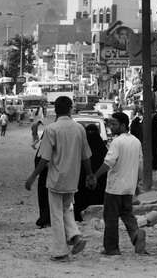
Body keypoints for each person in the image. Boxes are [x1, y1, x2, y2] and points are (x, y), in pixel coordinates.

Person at [25, 96, 93, 262]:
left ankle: (60, 251)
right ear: (71, 108)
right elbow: (86, 156)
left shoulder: (52, 129)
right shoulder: (79, 129)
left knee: (56, 215)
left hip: (56, 179)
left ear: (55, 110)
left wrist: (33, 176)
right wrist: (90, 174)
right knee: (65, 209)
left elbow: (45, 158)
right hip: (73, 179)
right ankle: (75, 238)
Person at [91, 112, 146, 256]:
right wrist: (137, 183)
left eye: (114, 124)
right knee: (127, 213)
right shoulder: (136, 141)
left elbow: (109, 162)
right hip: (129, 187)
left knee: (111, 217)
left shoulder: (117, 142)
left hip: (115, 187)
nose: (110, 127)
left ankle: (112, 248)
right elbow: (140, 165)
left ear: (123, 125)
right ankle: (135, 234)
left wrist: (95, 176)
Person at [73, 124, 108, 221]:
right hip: (100, 181)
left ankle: (79, 217)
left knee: (82, 198)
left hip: (83, 181)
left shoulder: (82, 149)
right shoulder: (102, 149)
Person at [34, 133, 50, 228]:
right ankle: (45, 219)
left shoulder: (44, 147)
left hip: (46, 178)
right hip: (48, 178)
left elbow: (39, 162)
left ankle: (45, 219)